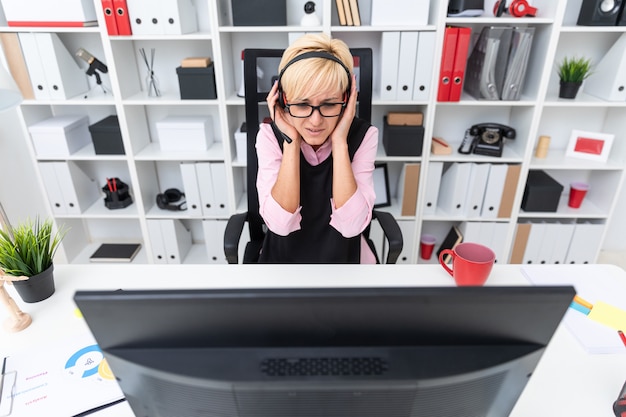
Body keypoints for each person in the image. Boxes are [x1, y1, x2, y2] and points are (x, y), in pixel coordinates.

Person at [256, 33, 378, 263]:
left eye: (329, 104)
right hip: (284, 259)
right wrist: (291, 141)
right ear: (283, 100)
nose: (315, 122)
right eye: (302, 105)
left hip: (343, 257)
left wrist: (340, 142)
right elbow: (280, 226)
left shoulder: (364, 137)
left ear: (346, 99)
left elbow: (352, 227)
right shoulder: (269, 137)